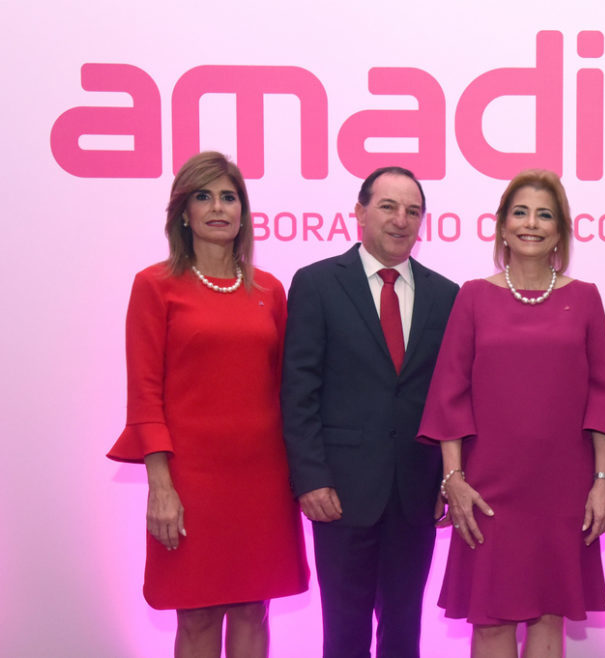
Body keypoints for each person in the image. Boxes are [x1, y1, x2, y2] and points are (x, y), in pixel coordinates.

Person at [107, 151, 309, 658]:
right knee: (196, 616)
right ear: (183, 213)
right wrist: (161, 486)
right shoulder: (154, 285)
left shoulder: (270, 290)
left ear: (243, 212)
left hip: (264, 478)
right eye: (204, 196)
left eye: (228, 197)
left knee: (253, 609)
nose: (218, 207)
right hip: (190, 480)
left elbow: (288, 389)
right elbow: (144, 394)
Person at [417, 169, 605, 658]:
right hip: (487, 489)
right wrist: (453, 479)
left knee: (550, 616)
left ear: (560, 230)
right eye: (520, 212)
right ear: (503, 226)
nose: (531, 223)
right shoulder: (473, 296)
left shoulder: (585, 297)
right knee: (490, 621)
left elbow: (602, 397)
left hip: (564, 487)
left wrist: (601, 482)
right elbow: (449, 394)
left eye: (544, 215)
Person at [280, 166, 458, 658]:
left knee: (404, 628)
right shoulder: (316, 283)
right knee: (344, 630)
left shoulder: (447, 295)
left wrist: (448, 480)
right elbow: (298, 391)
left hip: (416, 493)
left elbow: (449, 399)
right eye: (388, 207)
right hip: (339, 493)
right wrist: (311, 479)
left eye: (413, 211)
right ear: (359, 213)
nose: (401, 220)